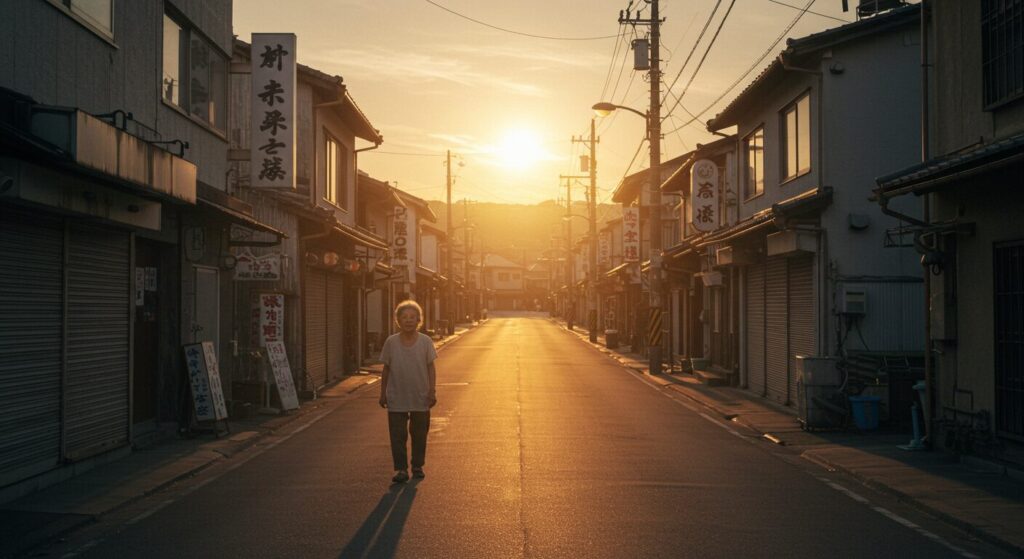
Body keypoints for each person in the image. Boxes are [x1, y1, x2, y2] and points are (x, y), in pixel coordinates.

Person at [379, 300, 437, 483]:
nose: (408, 320)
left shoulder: (426, 342)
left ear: (419, 320)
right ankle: (401, 470)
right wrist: (383, 393)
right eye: (404, 317)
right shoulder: (391, 342)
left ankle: (417, 465)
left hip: (420, 396)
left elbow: (431, 368)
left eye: (413, 317)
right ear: (398, 320)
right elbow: (386, 368)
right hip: (397, 396)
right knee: (397, 436)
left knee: (419, 434)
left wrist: (432, 391)